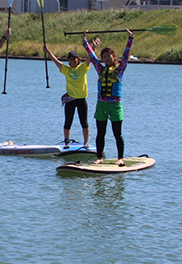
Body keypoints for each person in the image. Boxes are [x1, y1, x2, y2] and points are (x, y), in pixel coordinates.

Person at [83, 29, 134, 166]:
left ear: (113, 56)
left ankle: (120, 158)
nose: (106, 58)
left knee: (117, 133)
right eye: (104, 56)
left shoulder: (120, 69)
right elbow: (92, 56)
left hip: (115, 105)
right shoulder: (100, 69)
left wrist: (130, 39)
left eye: (108, 56)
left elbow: (126, 55)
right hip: (101, 105)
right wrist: (85, 41)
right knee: (100, 133)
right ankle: (99, 157)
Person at [44, 45, 90, 148]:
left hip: (81, 99)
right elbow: (55, 61)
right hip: (70, 99)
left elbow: (90, 57)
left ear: (78, 60)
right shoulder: (66, 70)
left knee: (84, 121)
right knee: (68, 121)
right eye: (70, 59)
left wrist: (92, 47)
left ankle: (86, 142)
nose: (72, 61)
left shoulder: (82, 68)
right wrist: (47, 51)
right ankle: (67, 142)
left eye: (74, 59)